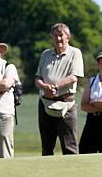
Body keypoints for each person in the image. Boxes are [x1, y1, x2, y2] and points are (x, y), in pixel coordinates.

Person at [35, 23, 84, 155]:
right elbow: (38, 78)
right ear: (51, 37)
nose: (58, 39)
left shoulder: (75, 53)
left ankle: (72, 174)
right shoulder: (45, 54)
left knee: (70, 148)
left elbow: (74, 77)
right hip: (45, 103)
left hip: (65, 104)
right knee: (46, 147)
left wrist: (56, 87)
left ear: (68, 36)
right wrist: (45, 87)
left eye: (61, 35)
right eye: (55, 35)